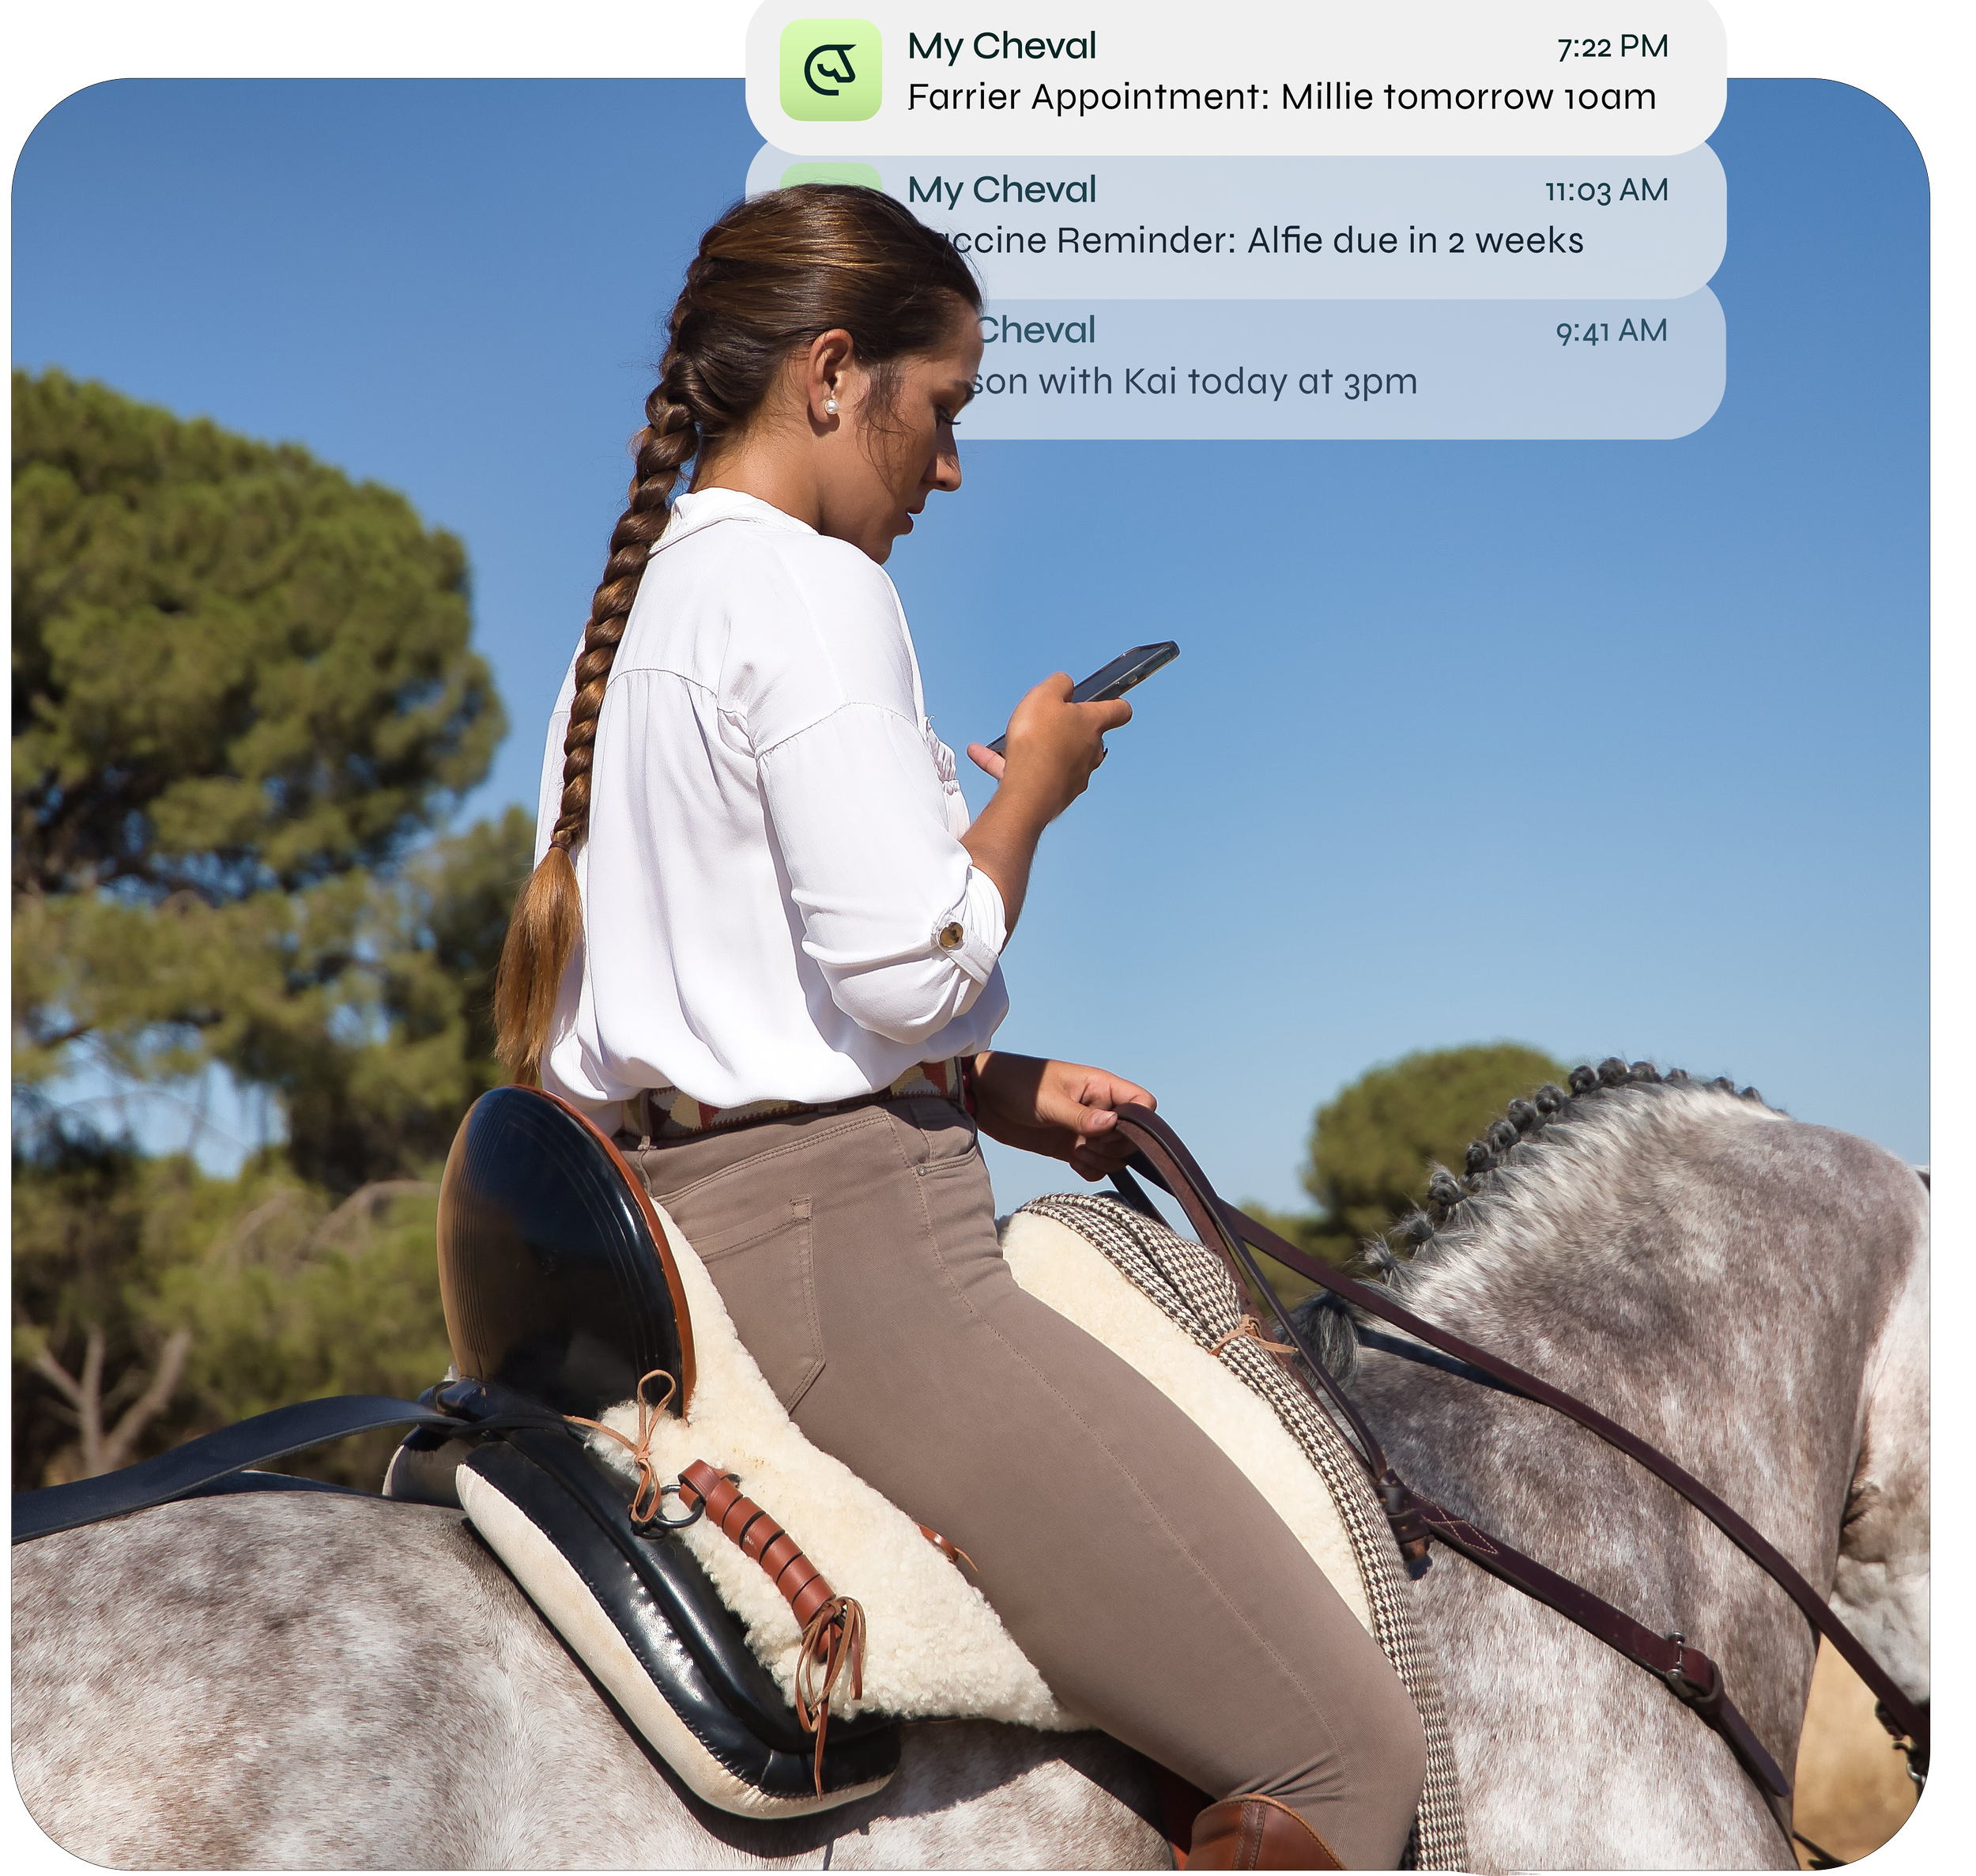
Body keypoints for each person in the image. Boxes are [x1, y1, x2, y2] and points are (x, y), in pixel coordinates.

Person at [493, 187, 1426, 1870]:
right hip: (857, 1274)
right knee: (1348, 1755)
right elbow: (910, 967)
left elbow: (682, 994)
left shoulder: (618, 625)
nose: (950, 466)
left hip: (659, 1245)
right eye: (945, 409)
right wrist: (1032, 801)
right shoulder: (814, 589)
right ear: (834, 373)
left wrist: (986, 1085)